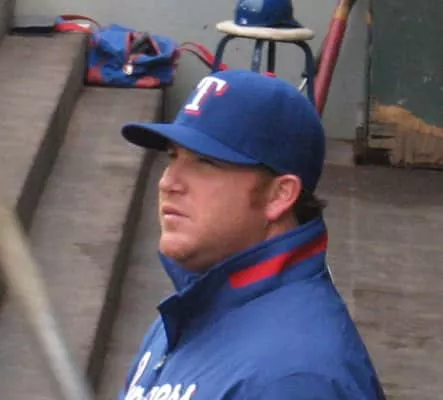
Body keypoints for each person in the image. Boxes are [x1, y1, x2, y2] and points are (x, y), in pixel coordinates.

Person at [118, 69, 385, 400]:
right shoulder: (197, 304)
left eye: (205, 162)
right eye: (173, 156)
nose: (168, 182)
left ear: (279, 195)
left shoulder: (294, 378)